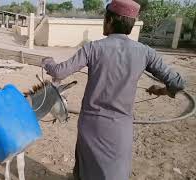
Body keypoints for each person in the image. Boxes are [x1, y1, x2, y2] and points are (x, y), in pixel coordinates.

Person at [41, 0, 186, 179]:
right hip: (120, 130)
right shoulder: (146, 52)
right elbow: (177, 84)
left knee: (86, 170)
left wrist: (47, 61)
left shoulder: (93, 48)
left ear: (109, 21)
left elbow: (58, 72)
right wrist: (161, 90)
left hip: (91, 127)